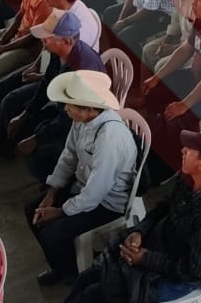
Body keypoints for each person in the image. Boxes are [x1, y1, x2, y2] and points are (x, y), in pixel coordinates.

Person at [66, 125, 201, 303]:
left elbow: (192, 269)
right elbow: (163, 207)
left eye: (190, 150)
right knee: (88, 277)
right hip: (159, 243)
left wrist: (145, 258)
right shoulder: (189, 176)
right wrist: (139, 231)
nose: (183, 150)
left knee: (94, 294)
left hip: (175, 275)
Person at [27, 70, 138, 286]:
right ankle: (61, 265)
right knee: (33, 212)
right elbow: (69, 155)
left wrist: (60, 211)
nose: (65, 109)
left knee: (52, 233)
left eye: (71, 106)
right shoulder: (82, 121)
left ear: (90, 110)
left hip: (106, 203)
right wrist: (52, 192)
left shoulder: (110, 139)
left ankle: (72, 273)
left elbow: (95, 194)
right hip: (83, 187)